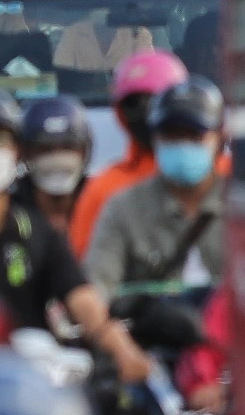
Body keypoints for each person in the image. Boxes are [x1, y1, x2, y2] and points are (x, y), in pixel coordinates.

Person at [0, 88, 149, 383]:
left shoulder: (36, 232)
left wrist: (124, 351)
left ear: (17, 153)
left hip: (30, 386)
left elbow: (83, 299)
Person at [85, 80, 227, 301]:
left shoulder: (244, 208)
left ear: (220, 138)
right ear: (155, 140)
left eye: (194, 135)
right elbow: (97, 287)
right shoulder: (124, 209)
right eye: (172, 135)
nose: (182, 145)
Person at [70, 50, 189, 255]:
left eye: (154, 100)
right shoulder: (102, 190)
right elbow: (86, 270)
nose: (145, 112)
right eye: (134, 103)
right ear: (120, 112)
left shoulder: (221, 176)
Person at [19, 96, 91, 233]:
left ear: (84, 152)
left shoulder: (101, 204)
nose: (58, 159)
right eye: (46, 148)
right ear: (26, 154)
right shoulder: (10, 211)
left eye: (68, 147)